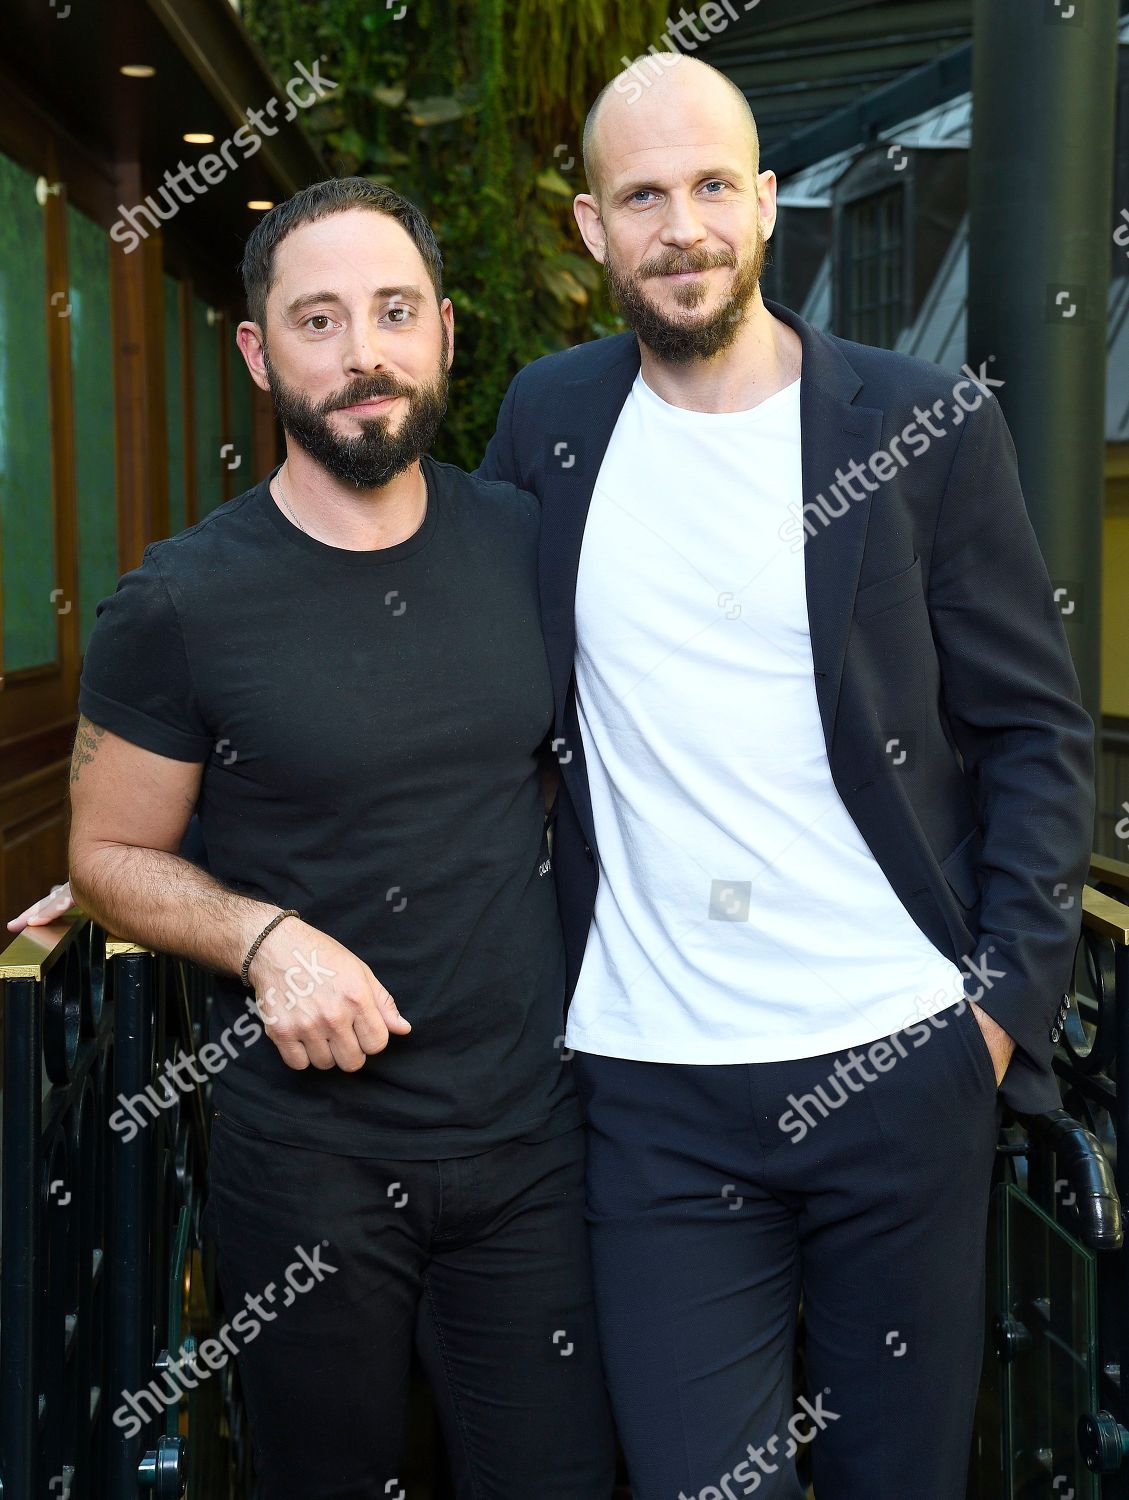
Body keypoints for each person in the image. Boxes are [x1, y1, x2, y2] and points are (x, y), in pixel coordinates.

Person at [472, 55, 1094, 1500]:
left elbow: (1034, 732)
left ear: (763, 204)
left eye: (707, 187)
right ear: (590, 230)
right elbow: (469, 692)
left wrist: (997, 1014)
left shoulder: (923, 423)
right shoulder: (549, 424)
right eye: (641, 196)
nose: (679, 226)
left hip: (898, 1060)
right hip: (651, 1085)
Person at [22, 178, 616, 1500]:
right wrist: (263, 936)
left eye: (394, 312)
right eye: (319, 319)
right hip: (310, 1171)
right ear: (257, 352)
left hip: (531, 1140)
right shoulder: (176, 603)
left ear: (445, 332)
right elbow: (112, 850)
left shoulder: (528, 546)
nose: (363, 353)